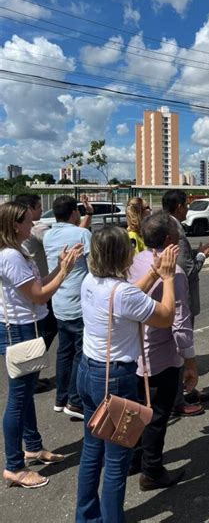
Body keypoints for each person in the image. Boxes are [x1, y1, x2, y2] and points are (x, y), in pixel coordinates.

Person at [75, 226, 178, 523]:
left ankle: (86, 518)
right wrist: (168, 278)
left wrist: (155, 274)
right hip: (115, 378)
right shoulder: (123, 292)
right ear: (122, 254)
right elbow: (165, 316)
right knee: (117, 460)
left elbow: (127, 299)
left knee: (92, 452)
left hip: (88, 371)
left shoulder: (90, 280)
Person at [0, 201, 82, 489]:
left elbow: (39, 285)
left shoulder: (20, 252)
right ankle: (14, 466)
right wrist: (65, 271)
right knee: (18, 399)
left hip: (28, 327)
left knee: (24, 396)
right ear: (14, 225)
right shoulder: (10, 256)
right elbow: (37, 295)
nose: (33, 224)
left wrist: (61, 267)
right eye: (27, 220)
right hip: (20, 331)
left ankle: (32, 447)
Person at [129, 211, 199, 490]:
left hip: (133, 353)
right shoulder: (175, 273)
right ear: (170, 239)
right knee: (157, 417)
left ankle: (134, 460)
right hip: (160, 357)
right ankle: (152, 470)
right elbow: (180, 322)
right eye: (178, 236)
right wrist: (191, 362)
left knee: (135, 412)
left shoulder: (136, 261)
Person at [16, 193, 93, 392]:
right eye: (38, 207)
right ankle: (73, 397)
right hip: (49, 292)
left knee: (61, 347)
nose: (41, 211)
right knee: (73, 349)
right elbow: (77, 239)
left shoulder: (48, 234)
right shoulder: (38, 230)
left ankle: (60, 394)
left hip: (54, 295)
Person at [162, 189, 209, 416]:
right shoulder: (175, 230)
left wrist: (196, 251)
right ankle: (178, 400)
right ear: (178, 206)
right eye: (186, 205)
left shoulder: (160, 223)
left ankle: (183, 391)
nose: (188, 209)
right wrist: (203, 255)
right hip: (180, 300)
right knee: (179, 349)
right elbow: (188, 270)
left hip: (167, 297)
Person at [43, 195, 92, 419]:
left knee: (65, 351)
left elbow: (74, 233)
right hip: (80, 303)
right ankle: (75, 400)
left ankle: (60, 398)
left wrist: (87, 215)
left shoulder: (49, 234)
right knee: (81, 355)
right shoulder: (82, 234)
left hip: (59, 301)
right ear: (74, 212)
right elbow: (94, 265)